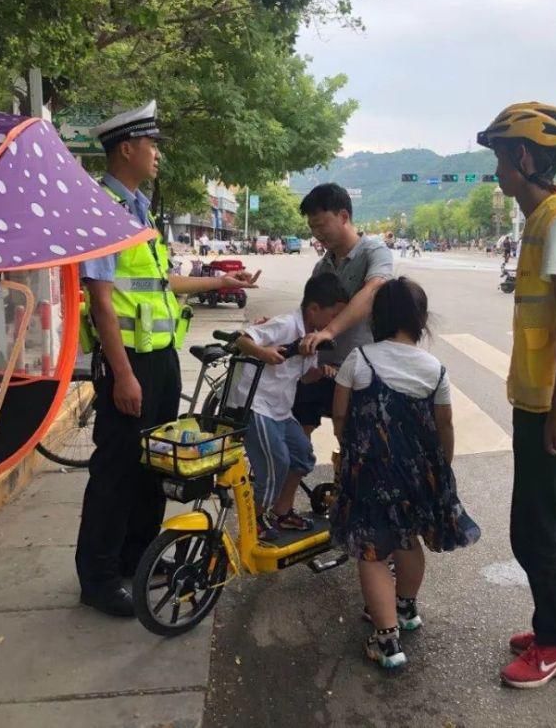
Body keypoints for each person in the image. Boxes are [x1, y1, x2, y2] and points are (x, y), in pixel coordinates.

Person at [74, 101, 258, 617]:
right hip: (129, 363)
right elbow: (102, 298)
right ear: (127, 149)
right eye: (151, 146)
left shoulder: (139, 209)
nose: (157, 155)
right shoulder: (102, 211)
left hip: (159, 360)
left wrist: (221, 280)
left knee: (153, 466)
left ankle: (137, 559)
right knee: (115, 472)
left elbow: (159, 284)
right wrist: (124, 375)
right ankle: (100, 578)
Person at [477, 102, 556, 688]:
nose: (496, 170)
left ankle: (552, 645)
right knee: (549, 518)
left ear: (523, 158)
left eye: (500, 157)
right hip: (545, 399)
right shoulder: (541, 220)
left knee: (532, 526)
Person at [330, 277, 480, 669]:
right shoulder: (435, 369)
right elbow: (444, 426)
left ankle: (387, 641)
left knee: (373, 551)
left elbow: (341, 415)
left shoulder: (359, 360)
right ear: (420, 320)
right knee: (407, 538)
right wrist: (441, 468)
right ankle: (406, 608)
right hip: (417, 473)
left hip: (371, 472)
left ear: (378, 318)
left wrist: (349, 449)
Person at [228, 274, 348, 540]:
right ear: (314, 309)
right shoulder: (285, 324)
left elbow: (303, 376)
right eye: (332, 316)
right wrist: (264, 353)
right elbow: (241, 338)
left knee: (302, 456)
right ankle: (255, 523)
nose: (333, 324)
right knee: (275, 465)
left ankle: (282, 513)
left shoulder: (312, 337)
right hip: (255, 404)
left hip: (280, 410)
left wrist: (319, 373)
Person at [295, 184, 394, 435]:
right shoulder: (322, 266)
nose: (317, 233)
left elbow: (373, 291)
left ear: (343, 217)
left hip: (360, 370)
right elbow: (307, 313)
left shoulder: (374, 252)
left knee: (353, 439)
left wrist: (329, 331)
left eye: (321, 225)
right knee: (296, 429)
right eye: (312, 228)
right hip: (321, 369)